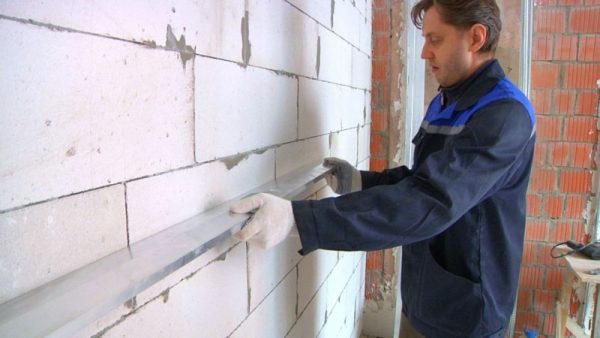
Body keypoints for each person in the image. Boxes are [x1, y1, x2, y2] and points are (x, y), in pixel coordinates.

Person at [229, 0, 536, 337]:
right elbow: (420, 179)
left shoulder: (504, 115)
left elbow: (430, 200)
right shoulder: (447, 100)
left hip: (466, 315)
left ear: (476, 38)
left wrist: (300, 218)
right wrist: (362, 181)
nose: (424, 53)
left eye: (436, 40)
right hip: (426, 294)